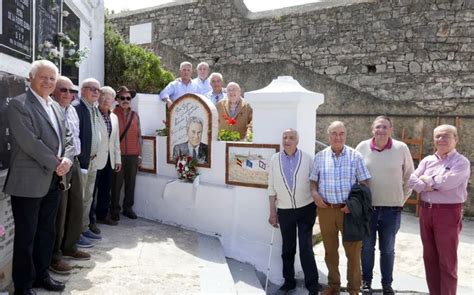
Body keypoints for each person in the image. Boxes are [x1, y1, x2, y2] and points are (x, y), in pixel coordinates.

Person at [4, 60, 74, 294]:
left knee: (47, 231)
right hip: (28, 183)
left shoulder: (55, 106)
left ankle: (41, 276)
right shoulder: (19, 105)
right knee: (26, 237)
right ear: (31, 78)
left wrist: (68, 159)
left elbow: (67, 137)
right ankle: (23, 286)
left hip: (53, 180)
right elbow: (29, 142)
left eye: (52, 78)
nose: (48, 82)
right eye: (43, 77)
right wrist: (57, 163)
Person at [310, 121, 371, 295]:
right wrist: (314, 194)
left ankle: (353, 289)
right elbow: (313, 181)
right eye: (334, 133)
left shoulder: (355, 156)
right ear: (328, 135)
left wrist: (353, 205)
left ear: (345, 135)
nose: (338, 137)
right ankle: (333, 286)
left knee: (352, 253)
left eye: (341, 133)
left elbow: (365, 183)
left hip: (349, 212)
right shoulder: (320, 156)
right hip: (326, 210)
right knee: (330, 251)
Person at [408, 124, 470, 295]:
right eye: (438, 136)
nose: (441, 139)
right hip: (426, 212)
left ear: (456, 139)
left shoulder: (461, 162)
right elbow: (411, 181)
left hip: (448, 213)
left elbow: (448, 183)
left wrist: (426, 180)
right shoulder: (427, 160)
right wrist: (429, 184)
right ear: (433, 139)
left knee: (447, 261)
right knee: (430, 258)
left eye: (446, 136)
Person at [355, 116, 414, 294]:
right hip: (368, 209)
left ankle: (386, 284)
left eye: (385, 127)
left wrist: (400, 200)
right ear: (372, 129)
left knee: (387, 249)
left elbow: (409, 177)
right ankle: (366, 281)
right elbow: (355, 175)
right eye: (378, 127)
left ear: (391, 129)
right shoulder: (362, 147)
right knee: (366, 248)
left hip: (392, 210)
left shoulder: (401, 148)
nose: (381, 130)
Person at [267, 129, 321, 295]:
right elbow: (271, 188)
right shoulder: (275, 159)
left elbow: (315, 183)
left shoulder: (307, 159)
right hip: (284, 210)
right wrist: (272, 212)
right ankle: (288, 282)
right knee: (287, 248)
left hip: (306, 208)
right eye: (285, 137)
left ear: (297, 141)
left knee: (305, 247)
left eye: (291, 138)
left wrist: (317, 205)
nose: (287, 140)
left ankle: (312, 285)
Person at [50, 76, 91, 275]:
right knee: (61, 209)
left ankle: (70, 246)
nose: (68, 94)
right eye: (63, 90)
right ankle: (55, 255)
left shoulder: (72, 110)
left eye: (71, 91)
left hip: (74, 160)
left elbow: (76, 137)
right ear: (54, 91)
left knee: (76, 204)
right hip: (59, 164)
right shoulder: (51, 110)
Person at [75, 78, 105, 244]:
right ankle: (75, 234)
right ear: (82, 90)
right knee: (79, 200)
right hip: (82, 163)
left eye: (97, 90)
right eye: (91, 89)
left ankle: (84, 228)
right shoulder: (78, 108)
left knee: (88, 198)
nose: (95, 92)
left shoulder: (93, 108)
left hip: (92, 161)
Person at [90, 86, 122, 227]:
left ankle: (102, 215)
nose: (105, 100)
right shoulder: (93, 113)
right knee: (91, 190)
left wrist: (118, 159)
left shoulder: (114, 117)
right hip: (95, 159)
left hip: (110, 159)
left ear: (113, 101)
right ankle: (89, 219)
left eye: (109, 98)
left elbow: (115, 140)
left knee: (105, 189)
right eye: (103, 97)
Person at [111, 86, 142, 220]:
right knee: (116, 185)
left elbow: (139, 136)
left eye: (128, 98)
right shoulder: (112, 114)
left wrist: (139, 154)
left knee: (131, 184)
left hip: (133, 155)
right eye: (122, 98)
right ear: (117, 99)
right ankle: (114, 210)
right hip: (118, 156)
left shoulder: (135, 115)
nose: (125, 100)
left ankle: (128, 208)